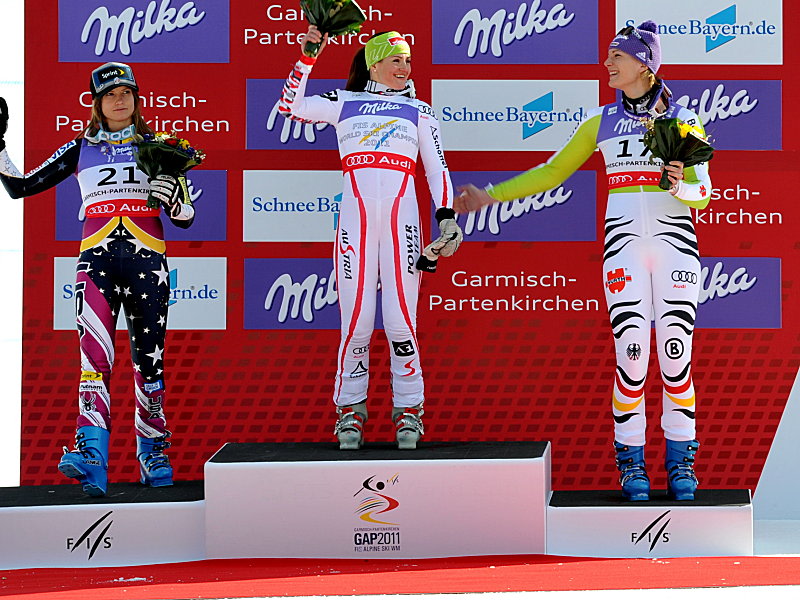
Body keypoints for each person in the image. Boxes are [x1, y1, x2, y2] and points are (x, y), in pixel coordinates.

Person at [455, 22, 711, 501]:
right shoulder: (599, 121)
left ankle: (682, 464)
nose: (608, 64)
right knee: (631, 357)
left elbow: (704, 194)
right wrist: (491, 196)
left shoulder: (683, 119)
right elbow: (553, 172)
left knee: (676, 357)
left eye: (618, 57)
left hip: (677, 246)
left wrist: (680, 183)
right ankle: (631, 463)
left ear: (645, 64)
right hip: (624, 248)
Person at [0, 62, 195, 496]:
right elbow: (20, 187)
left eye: (127, 92)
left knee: (149, 362)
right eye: (110, 94)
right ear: (96, 103)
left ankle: (153, 451)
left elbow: (185, 216)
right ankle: (92, 456)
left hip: (148, 264)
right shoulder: (79, 148)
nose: (119, 99)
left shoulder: (159, 147)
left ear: (137, 98)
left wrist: (174, 201)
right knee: (94, 360)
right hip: (97, 265)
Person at [278, 27, 462, 450]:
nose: (404, 68)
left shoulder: (420, 111)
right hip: (355, 224)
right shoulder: (343, 102)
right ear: (374, 63)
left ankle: (409, 411)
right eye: (395, 59)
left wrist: (447, 218)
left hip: (404, 224)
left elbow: (437, 170)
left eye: (409, 61)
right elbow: (290, 105)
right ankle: (349, 412)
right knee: (357, 323)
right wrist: (308, 55)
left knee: (401, 323)